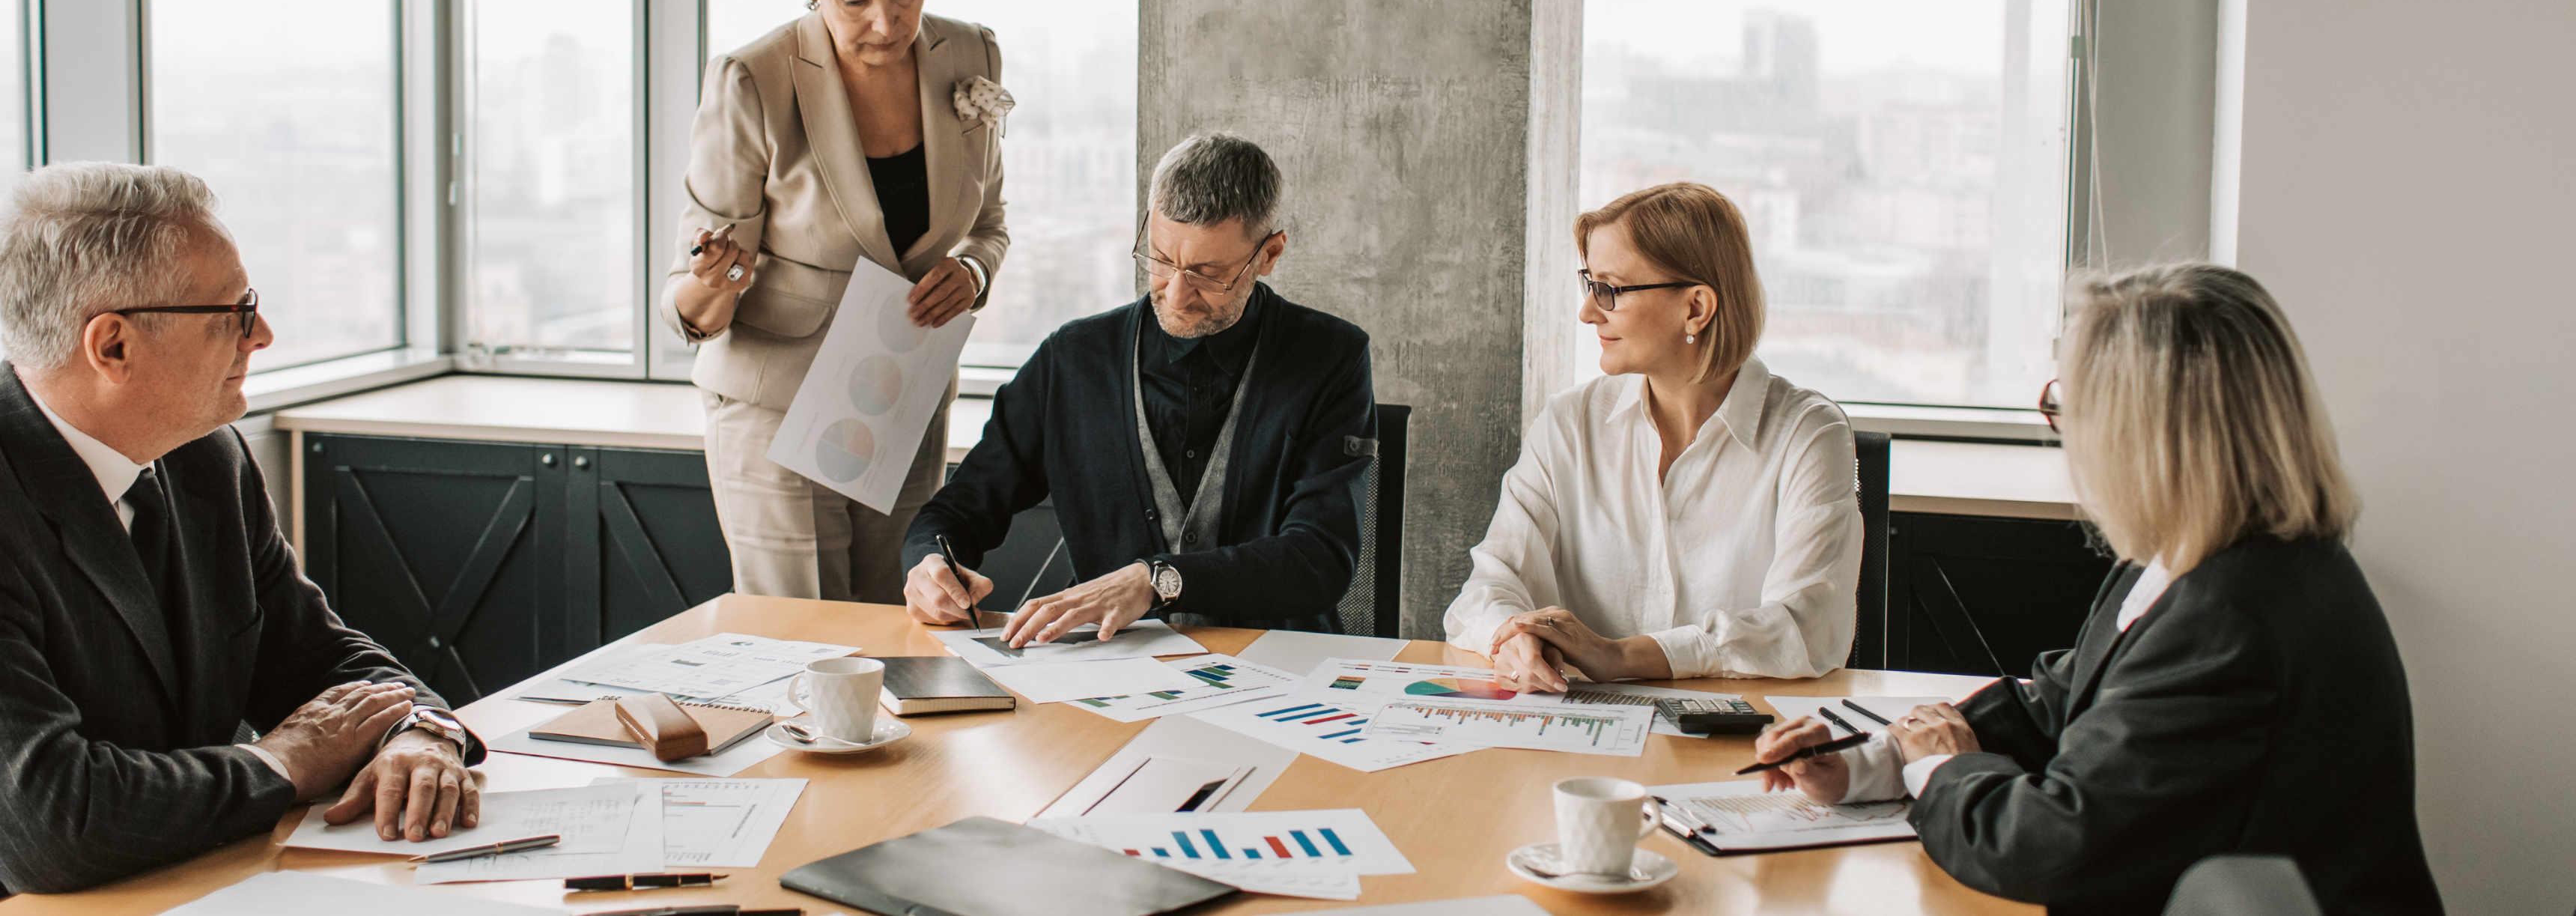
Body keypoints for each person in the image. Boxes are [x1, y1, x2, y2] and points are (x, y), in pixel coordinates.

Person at [0, 163, 487, 916]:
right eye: (234, 310)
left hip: (169, 886)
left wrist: (418, 734)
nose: (261, 334)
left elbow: (317, 658)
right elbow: (53, 825)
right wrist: (282, 763)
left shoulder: (199, 455)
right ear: (114, 346)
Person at [1754, 264, 2442, 916]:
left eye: (2064, 404)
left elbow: (2052, 849)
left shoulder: (2233, 620)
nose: (2062, 435)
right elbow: (2058, 708)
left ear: (2142, 437)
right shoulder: (2189, 558)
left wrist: (1939, 769)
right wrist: (1875, 760)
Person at [661, 0, 1009, 602]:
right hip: (777, 410)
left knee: (903, 633)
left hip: (903, 393)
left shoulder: (971, 54)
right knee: (806, 649)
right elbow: (688, 306)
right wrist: (712, 281)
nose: (884, 23)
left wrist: (973, 272)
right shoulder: (752, 79)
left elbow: (989, 221)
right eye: (853, 0)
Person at [899, 133, 1373, 639]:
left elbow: (1320, 558)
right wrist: (928, 562)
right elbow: (959, 507)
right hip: (1113, 677)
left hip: (1279, 672)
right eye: (1161, 258)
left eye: (1209, 274)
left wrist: (1158, 579)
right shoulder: (1072, 360)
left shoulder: (1330, 358)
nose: (1177, 293)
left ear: (1269, 254)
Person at [1442, 182, 1859, 688]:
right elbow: (1486, 587)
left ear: (1696, 308)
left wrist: (1620, 656)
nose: (1588, 312)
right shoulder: (1568, 423)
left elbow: (1808, 628)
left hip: (1744, 747)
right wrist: (1514, 636)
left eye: (1610, 289)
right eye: (1589, 284)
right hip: (1579, 740)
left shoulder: (1809, 435)